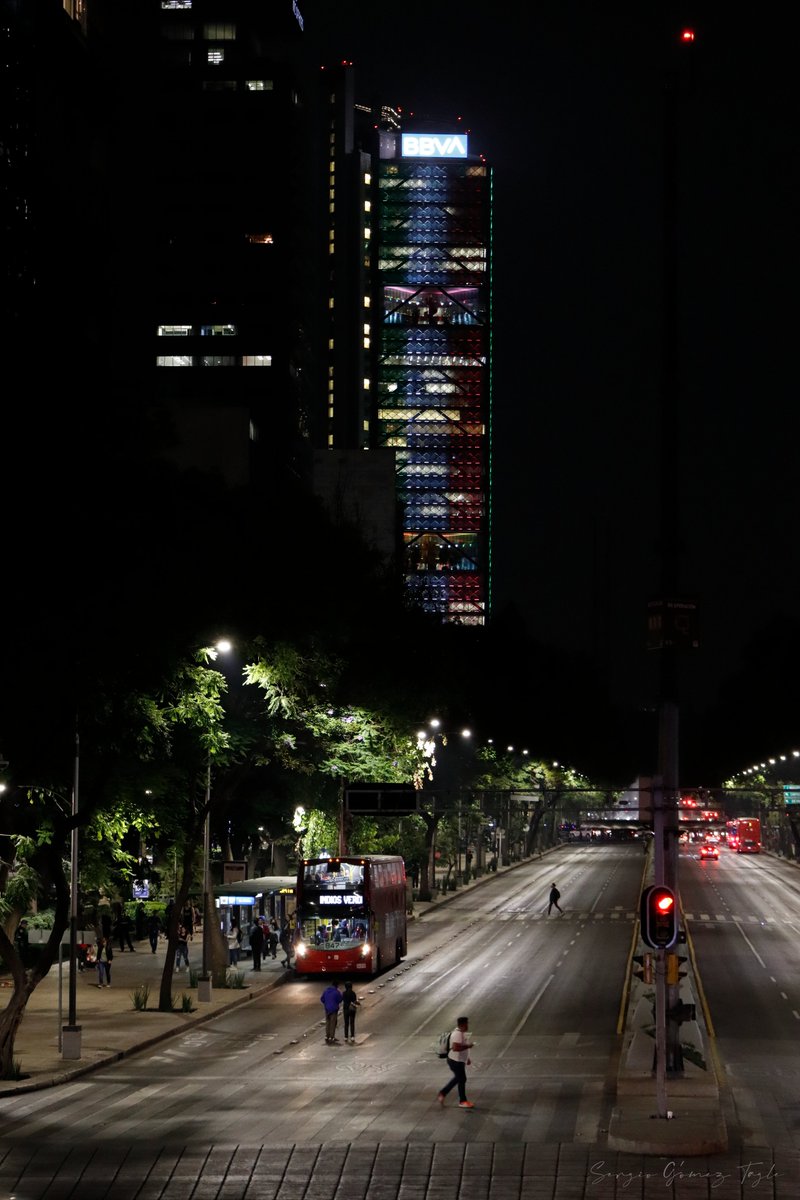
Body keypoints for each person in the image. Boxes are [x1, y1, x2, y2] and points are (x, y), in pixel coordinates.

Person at [436, 1016, 475, 1108]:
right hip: (455, 1061)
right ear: (463, 1024)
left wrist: (467, 1058)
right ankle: (462, 1100)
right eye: (467, 1023)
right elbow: (455, 1048)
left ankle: (444, 1094)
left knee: (460, 1079)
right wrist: (468, 1046)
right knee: (460, 1079)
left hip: (458, 1061)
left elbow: (461, 1046)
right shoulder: (457, 1034)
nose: (468, 1025)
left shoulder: (461, 1033)